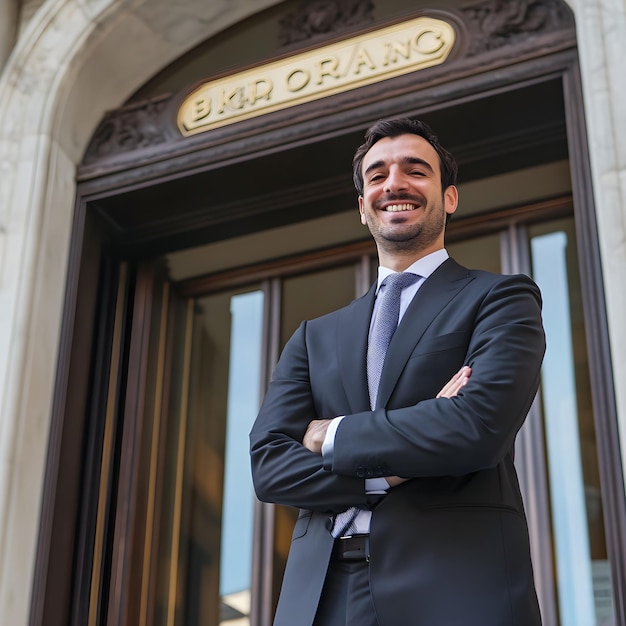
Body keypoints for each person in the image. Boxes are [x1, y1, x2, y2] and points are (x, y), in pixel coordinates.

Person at [249, 118, 545, 626]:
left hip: (454, 586)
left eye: (416, 170)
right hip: (319, 596)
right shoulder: (313, 336)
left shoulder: (500, 298)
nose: (395, 184)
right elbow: (269, 466)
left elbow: (476, 429)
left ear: (449, 197)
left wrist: (331, 433)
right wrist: (390, 467)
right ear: (363, 206)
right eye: (377, 175)